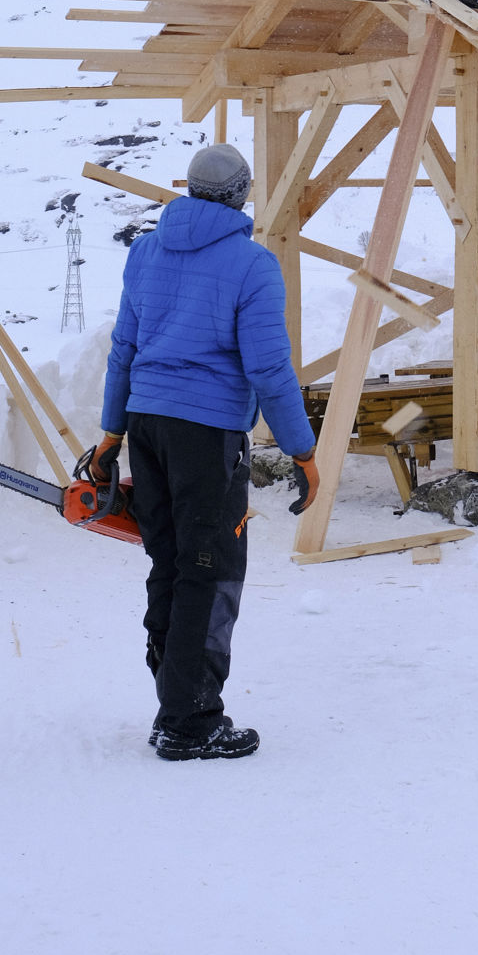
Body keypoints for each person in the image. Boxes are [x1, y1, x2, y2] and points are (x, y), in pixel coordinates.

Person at [92, 143, 319, 762]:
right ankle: (190, 722)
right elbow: (269, 368)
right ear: (242, 193)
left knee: (170, 560)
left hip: (148, 427)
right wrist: (302, 449)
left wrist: (112, 434)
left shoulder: (146, 251)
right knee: (210, 567)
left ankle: (174, 700)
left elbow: (124, 351)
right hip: (206, 435)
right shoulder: (252, 264)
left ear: (189, 189)